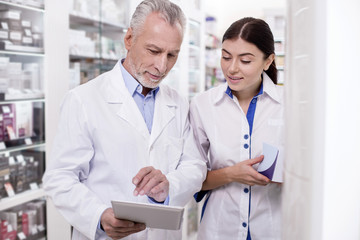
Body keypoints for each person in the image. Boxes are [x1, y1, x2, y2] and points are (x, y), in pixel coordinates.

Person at [43, 0, 207, 239]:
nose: (162, 66)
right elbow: (59, 178)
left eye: (172, 55)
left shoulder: (178, 102)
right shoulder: (83, 99)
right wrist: (99, 216)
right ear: (129, 39)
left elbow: (195, 166)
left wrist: (168, 186)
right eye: (154, 51)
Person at [189, 17, 284, 240]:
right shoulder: (203, 105)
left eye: (245, 61)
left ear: (268, 61)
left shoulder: (289, 105)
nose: (232, 68)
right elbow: (190, 178)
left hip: (272, 229)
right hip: (219, 229)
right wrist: (231, 174)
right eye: (226, 57)